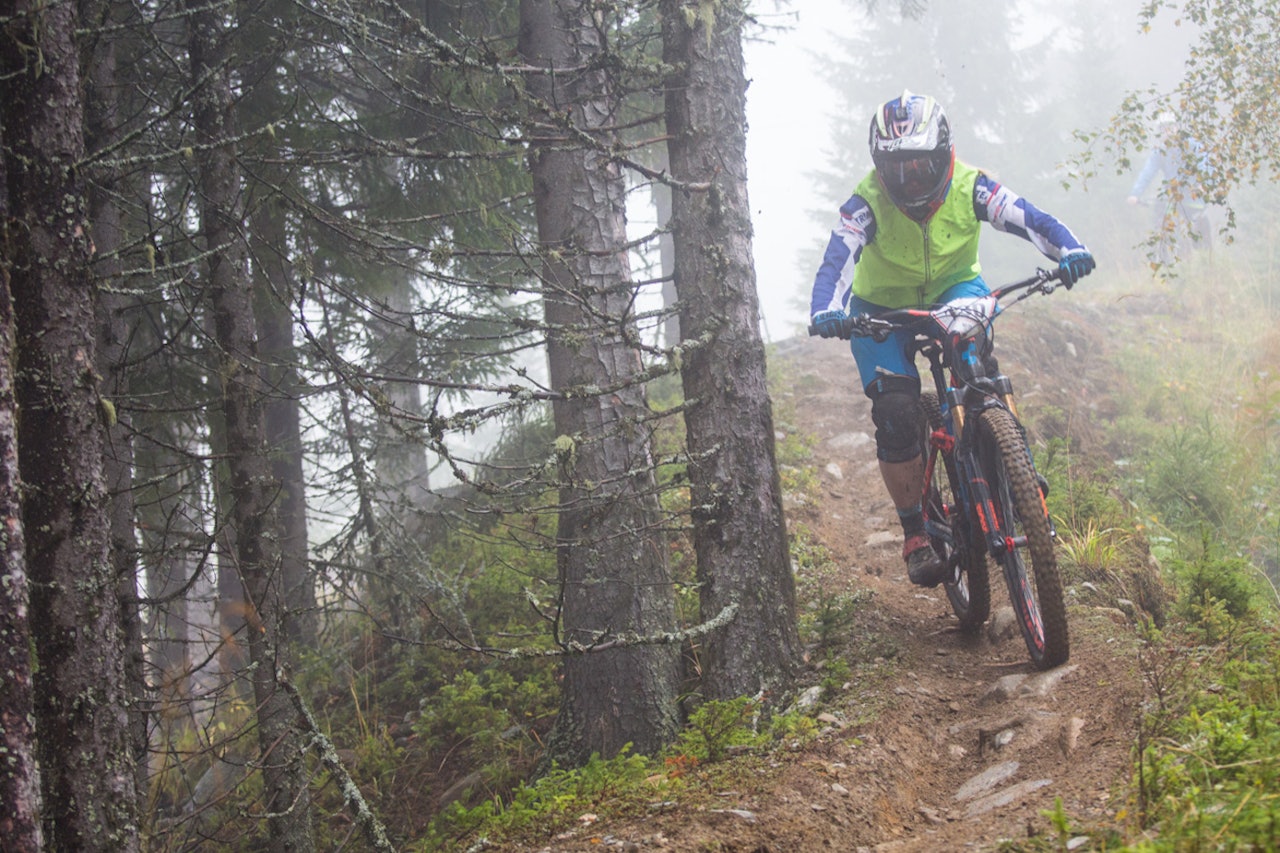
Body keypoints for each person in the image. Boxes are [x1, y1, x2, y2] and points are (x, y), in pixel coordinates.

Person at [809, 90, 1095, 587]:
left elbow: (1029, 218)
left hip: (954, 291)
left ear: (945, 155)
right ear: (880, 167)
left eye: (922, 165)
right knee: (897, 415)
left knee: (979, 372)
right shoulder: (866, 203)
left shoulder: (971, 186)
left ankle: (1015, 474)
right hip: (882, 308)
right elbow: (836, 259)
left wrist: (1070, 249)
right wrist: (826, 311)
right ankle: (916, 532)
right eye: (899, 169)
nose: (911, 178)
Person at [1125, 114, 1210, 262]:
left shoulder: (1191, 144)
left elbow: (1204, 163)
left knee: (1198, 225)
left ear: (1177, 128)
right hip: (1171, 196)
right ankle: (1162, 260)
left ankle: (1204, 257)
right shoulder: (1160, 151)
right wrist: (1135, 194)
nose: (1167, 132)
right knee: (1160, 222)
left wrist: (1202, 183)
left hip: (1192, 195)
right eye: (1163, 129)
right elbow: (1147, 172)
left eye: (1170, 128)